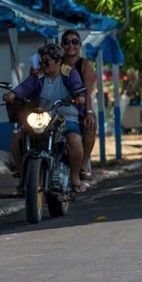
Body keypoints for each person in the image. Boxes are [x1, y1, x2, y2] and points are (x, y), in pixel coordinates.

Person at [3, 42, 89, 193]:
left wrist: (78, 96)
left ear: (58, 61)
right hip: (43, 116)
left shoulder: (69, 72)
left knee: (74, 139)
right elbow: (26, 86)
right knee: (17, 138)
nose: (43, 65)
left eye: (47, 61)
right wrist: (13, 94)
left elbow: (77, 86)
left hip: (66, 116)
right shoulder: (39, 75)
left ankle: (75, 177)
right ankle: (25, 179)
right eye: (42, 61)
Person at [60, 28, 98, 185]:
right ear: (62, 45)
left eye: (75, 42)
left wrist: (88, 112)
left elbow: (87, 91)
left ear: (80, 45)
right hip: (57, 107)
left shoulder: (85, 64)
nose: (71, 45)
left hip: (80, 108)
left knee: (89, 126)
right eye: (67, 42)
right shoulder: (57, 63)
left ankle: (83, 165)